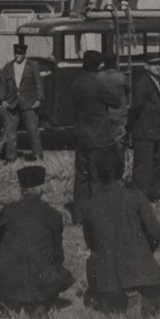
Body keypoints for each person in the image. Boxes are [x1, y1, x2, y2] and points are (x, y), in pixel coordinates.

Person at [82, 147, 160, 319]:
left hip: (106, 276)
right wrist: (145, 251)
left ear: (97, 172)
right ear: (122, 170)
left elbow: (91, 243)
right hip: (138, 267)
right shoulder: (135, 197)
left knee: (100, 295)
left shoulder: (90, 205)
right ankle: (137, 297)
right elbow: (155, 232)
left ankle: (115, 300)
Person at [0, 165, 74, 314]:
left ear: (21, 189)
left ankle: (3, 298)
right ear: (42, 188)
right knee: (62, 273)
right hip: (42, 281)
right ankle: (38, 301)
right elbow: (58, 255)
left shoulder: (9, 210)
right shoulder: (54, 215)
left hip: (9, 282)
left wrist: (4, 239)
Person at [71, 50, 123, 223]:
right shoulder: (98, 85)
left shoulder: (76, 84)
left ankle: (78, 217)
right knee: (97, 178)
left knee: (81, 177)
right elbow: (116, 101)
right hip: (99, 137)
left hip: (81, 136)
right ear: (99, 65)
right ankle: (97, 217)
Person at [127, 56, 160, 202]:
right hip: (145, 130)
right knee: (143, 166)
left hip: (155, 131)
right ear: (146, 66)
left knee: (159, 160)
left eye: (159, 63)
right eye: (154, 64)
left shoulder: (158, 82)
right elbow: (136, 107)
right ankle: (139, 199)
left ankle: (154, 195)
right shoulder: (144, 83)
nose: (158, 66)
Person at [1, 41, 44, 162]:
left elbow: (39, 83)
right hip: (12, 102)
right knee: (11, 130)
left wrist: (39, 99)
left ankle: (37, 155)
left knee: (32, 129)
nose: (17, 56)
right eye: (15, 54)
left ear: (24, 54)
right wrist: (3, 99)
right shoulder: (8, 67)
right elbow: (3, 84)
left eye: (19, 54)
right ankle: (11, 157)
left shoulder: (32, 65)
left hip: (29, 102)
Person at [97, 54, 131, 148]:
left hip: (103, 113)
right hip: (119, 113)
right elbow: (128, 90)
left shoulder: (98, 77)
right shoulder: (121, 77)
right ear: (116, 62)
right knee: (118, 140)